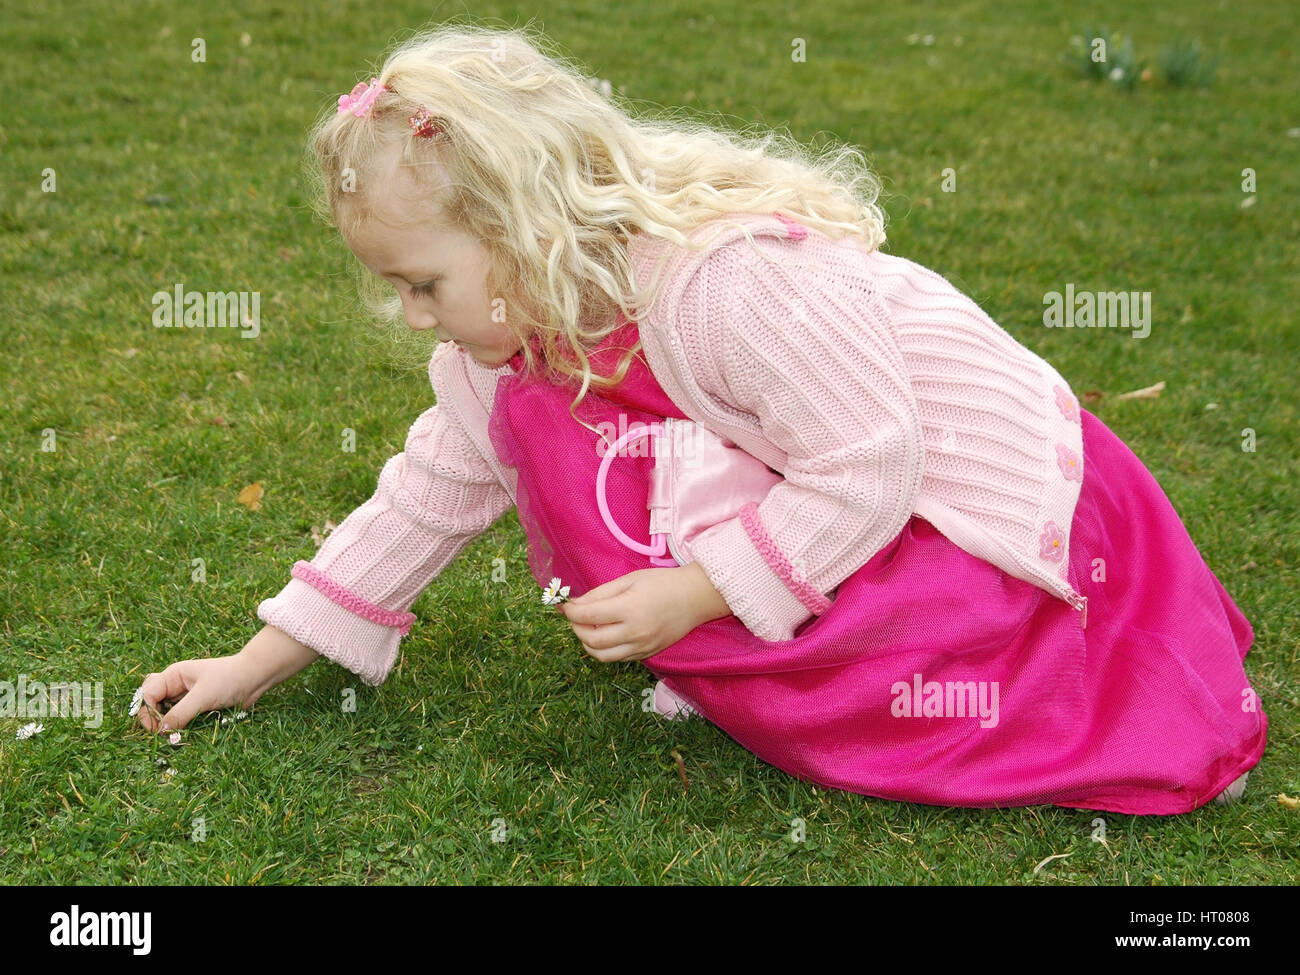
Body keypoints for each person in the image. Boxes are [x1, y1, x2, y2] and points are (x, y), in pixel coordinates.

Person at [134, 25, 1265, 814]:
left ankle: (897, 669)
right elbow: (430, 490)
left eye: (421, 282)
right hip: (829, 497)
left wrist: (699, 589)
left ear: (527, 230)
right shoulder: (508, 344)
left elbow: (873, 460)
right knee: (535, 423)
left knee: (953, 682)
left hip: (963, 504)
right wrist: (257, 660)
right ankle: (764, 647)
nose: (406, 312)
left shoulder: (727, 287)